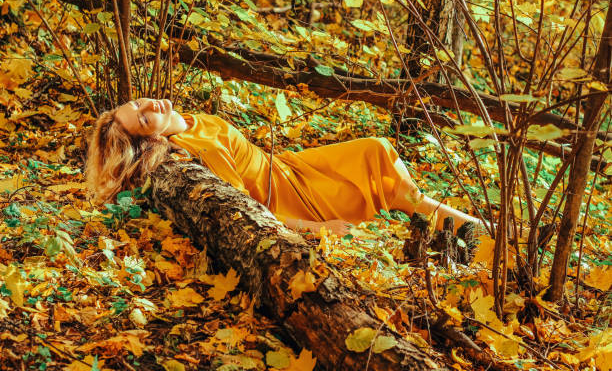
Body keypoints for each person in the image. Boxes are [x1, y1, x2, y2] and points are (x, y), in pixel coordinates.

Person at [86, 98, 481, 235]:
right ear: (150, 138)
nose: (149, 107)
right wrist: (315, 228)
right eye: (143, 119)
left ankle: (448, 221)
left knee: (375, 151)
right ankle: (469, 231)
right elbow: (244, 207)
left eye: (138, 103)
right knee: (383, 180)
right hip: (288, 193)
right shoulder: (192, 148)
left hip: (289, 165)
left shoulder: (191, 120)